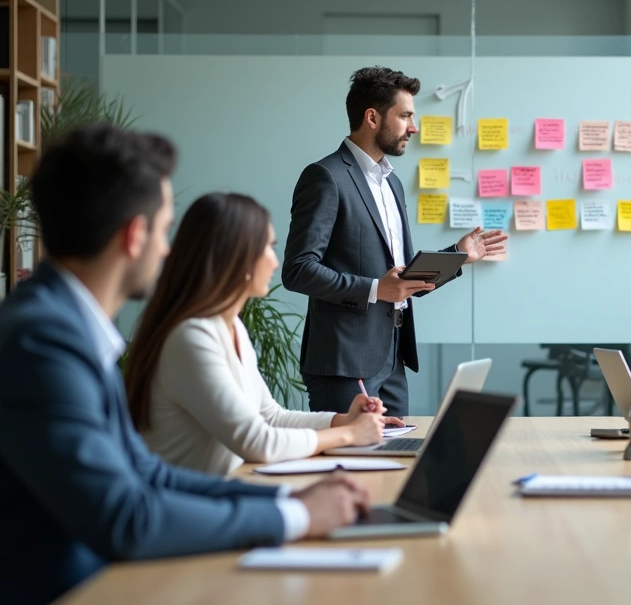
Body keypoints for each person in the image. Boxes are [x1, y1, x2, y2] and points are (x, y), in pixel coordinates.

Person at [0, 125, 369, 604]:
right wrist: (296, 519)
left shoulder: (65, 326)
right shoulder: (43, 341)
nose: (167, 249)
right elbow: (126, 518)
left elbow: (148, 474)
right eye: (163, 228)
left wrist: (287, 500)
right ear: (135, 235)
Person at [283, 66, 506, 417]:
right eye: (405, 116)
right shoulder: (325, 177)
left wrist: (458, 256)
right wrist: (375, 289)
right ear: (372, 117)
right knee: (350, 462)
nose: (413, 127)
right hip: (345, 363)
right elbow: (298, 270)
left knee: (395, 461)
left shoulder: (392, 183)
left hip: (394, 357)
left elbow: (401, 279)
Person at [124, 193, 401, 476]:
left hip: (225, 493)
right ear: (236, 256)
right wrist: (350, 435)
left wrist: (342, 421)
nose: (274, 261)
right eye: (268, 247)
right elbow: (257, 441)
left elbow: (270, 417)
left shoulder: (230, 329)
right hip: (188, 507)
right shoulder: (191, 337)